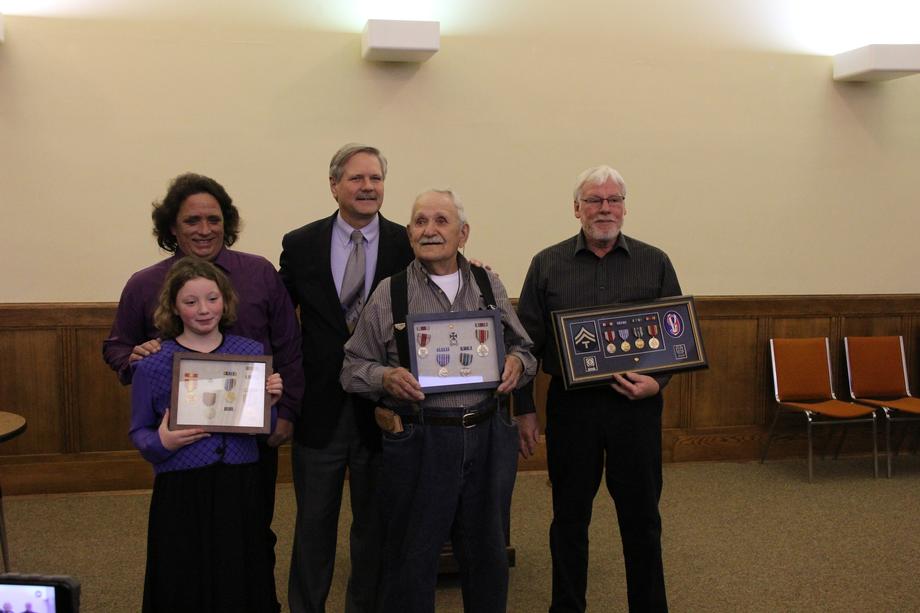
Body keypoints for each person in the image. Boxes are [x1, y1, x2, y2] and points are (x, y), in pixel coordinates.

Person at [102, 173, 303, 609]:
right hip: (182, 454)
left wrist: (283, 411)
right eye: (192, 220)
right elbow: (116, 346)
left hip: (250, 441)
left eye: (214, 219)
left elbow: (288, 345)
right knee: (183, 550)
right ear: (172, 227)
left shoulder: (260, 273)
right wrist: (134, 358)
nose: (204, 229)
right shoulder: (143, 283)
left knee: (251, 535)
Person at [340, 189, 537, 613]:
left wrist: (519, 364)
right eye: (420, 221)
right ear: (409, 232)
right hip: (421, 439)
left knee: (487, 554)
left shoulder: (489, 284)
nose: (429, 230)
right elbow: (351, 367)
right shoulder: (389, 294)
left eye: (441, 221)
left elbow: (525, 349)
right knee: (412, 556)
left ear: (463, 233)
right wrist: (385, 376)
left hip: (486, 435)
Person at [514, 166, 682, 613]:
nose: (604, 208)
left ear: (625, 207)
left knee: (642, 519)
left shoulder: (656, 261)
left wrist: (657, 381)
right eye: (594, 200)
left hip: (637, 410)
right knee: (569, 518)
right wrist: (524, 409)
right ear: (577, 208)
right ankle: (567, 606)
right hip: (573, 409)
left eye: (613, 199)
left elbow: (675, 339)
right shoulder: (546, 264)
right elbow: (526, 345)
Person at [279, 144, 414, 613]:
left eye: (375, 178)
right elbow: (275, 316)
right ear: (334, 185)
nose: (368, 187)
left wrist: (474, 269)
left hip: (383, 407)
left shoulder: (405, 242)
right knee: (313, 523)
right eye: (357, 179)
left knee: (374, 526)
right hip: (319, 409)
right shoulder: (300, 244)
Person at [130, 257, 283, 612]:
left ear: (226, 300)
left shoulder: (250, 352)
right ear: (174, 307)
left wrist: (271, 402)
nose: (203, 310)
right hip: (182, 488)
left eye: (212, 299)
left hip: (240, 482)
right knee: (183, 575)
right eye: (190, 301)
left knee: (241, 569)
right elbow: (139, 431)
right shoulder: (153, 363)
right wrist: (162, 443)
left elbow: (266, 428)